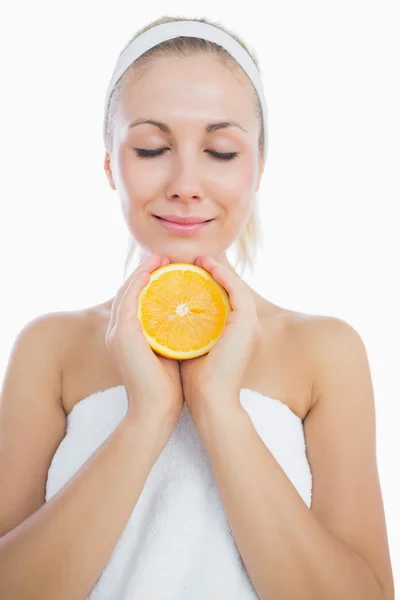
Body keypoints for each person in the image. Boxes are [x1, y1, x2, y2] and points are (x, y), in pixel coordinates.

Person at [0, 15, 394, 600]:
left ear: (259, 164)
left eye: (220, 150)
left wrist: (217, 406)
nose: (186, 182)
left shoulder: (326, 351)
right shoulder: (50, 347)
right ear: (111, 163)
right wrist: (148, 415)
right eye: (152, 147)